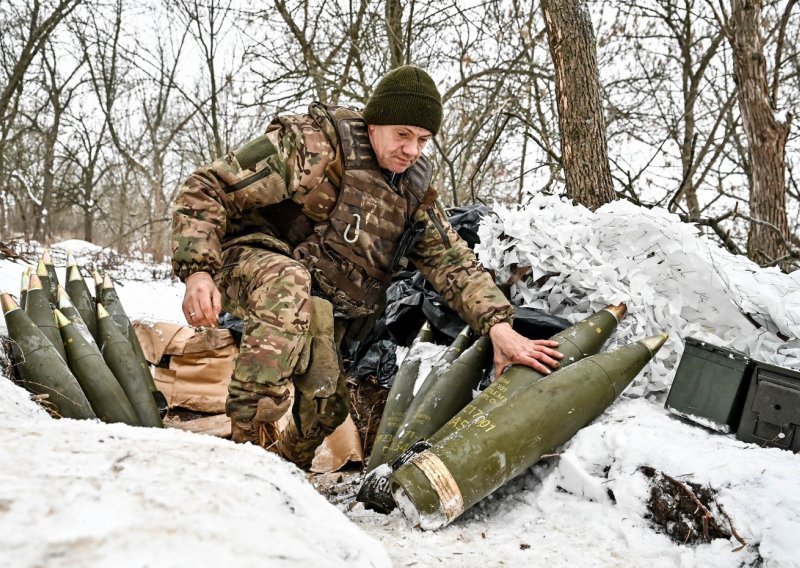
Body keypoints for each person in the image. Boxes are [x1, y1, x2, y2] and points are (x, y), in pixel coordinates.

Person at [171, 65, 562, 468]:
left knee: (327, 405)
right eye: (402, 134)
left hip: (314, 299)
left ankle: (286, 469)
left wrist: (499, 326)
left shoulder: (412, 191)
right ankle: (245, 455)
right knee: (287, 281)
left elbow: (453, 262)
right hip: (250, 262)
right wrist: (197, 270)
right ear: (374, 125)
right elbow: (207, 186)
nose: (412, 150)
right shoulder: (313, 146)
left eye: (423, 140)